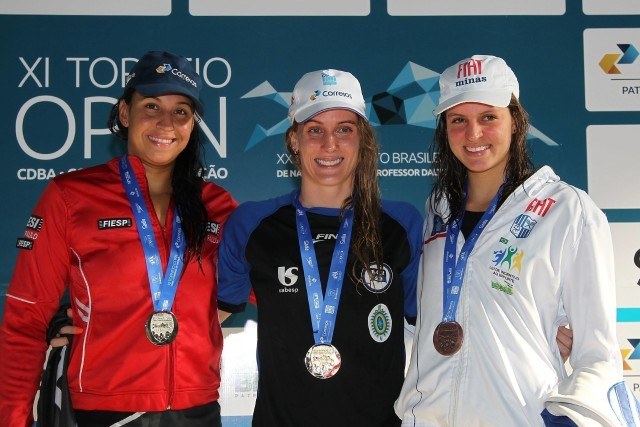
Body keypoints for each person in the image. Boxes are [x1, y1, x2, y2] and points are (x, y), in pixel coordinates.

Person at [394, 54, 638, 426]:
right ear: (445, 129)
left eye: (488, 117)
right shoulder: (437, 211)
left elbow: (598, 353)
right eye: (458, 120)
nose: (473, 134)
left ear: (516, 121)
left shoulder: (566, 210)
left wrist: (570, 415)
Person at [0, 50, 237, 427]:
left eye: (180, 111)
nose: (166, 123)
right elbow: (25, 320)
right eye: (152, 106)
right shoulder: (70, 196)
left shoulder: (217, 205)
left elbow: (272, 284)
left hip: (197, 410)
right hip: (104, 411)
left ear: (193, 124)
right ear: (125, 114)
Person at [216, 69, 424, 426]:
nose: (330, 144)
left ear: (363, 139)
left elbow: (442, 322)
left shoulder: (402, 225)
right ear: (294, 140)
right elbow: (203, 320)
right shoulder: (252, 223)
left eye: (344, 129)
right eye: (315, 130)